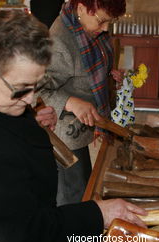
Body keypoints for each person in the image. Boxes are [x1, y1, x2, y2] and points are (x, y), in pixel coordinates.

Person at [0, 10, 146, 242]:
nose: (31, 99)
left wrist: (28, 122)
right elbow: (31, 238)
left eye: (35, 85)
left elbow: (0, 133)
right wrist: (98, 219)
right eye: (21, 90)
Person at [38, 0, 125, 208]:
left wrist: (110, 75)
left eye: (109, 22)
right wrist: (70, 102)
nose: (105, 28)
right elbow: (38, 88)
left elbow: (94, 64)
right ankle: (72, 239)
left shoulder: (87, 27)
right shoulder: (60, 41)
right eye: (102, 21)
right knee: (73, 192)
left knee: (84, 184)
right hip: (64, 133)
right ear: (81, 9)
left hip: (84, 125)